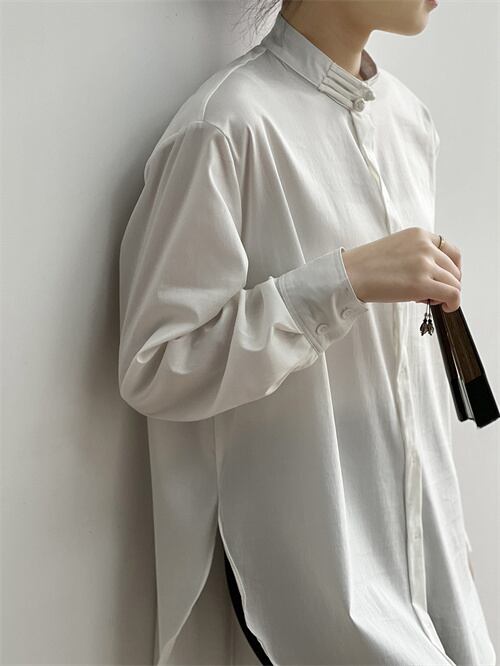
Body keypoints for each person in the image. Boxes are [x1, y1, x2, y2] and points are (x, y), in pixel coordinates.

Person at [118, 1, 497, 664]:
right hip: (319, 586)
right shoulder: (227, 127)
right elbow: (157, 365)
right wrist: (342, 281)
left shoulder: (408, 121)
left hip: (435, 572)